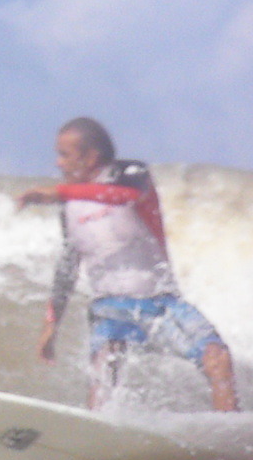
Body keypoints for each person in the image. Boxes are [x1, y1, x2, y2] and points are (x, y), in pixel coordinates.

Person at [17, 117, 239, 411]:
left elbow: (123, 197)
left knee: (218, 359)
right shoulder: (69, 206)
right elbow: (69, 263)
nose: (58, 164)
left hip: (161, 303)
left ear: (91, 156)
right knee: (102, 377)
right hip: (110, 309)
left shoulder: (131, 173)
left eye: (65, 155)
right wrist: (51, 322)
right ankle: (96, 434)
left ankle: (229, 431)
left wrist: (59, 192)